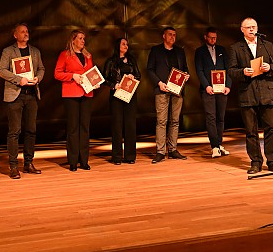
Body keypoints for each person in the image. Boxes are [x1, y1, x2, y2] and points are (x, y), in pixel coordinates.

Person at [228, 17, 273, 175]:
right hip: (248, 93)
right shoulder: (235, 48)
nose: (251, 29)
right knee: (251, 131)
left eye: (254, 27)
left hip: (267, 92)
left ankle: (272, 161)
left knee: (270, 129)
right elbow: (231, 71)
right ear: (242, 30)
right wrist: (243, 72)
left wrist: (269, 67)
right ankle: (256, 162)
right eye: (248, 27)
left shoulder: (267, 45)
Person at [0, 22, 45, 179]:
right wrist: (19, 80)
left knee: (31, 130)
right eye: (22, 31)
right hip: (15, 95)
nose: (26, 33)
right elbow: (2, 71)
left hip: (31, 94)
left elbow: (41, 69)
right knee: (14, 131)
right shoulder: (8, 51)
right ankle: (13, 166)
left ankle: (28, 163)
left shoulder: (35, 51)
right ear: (15, 35)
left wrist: (38, 78)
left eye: (27, 31)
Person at [54, 29, 99, 171]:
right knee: (73, 128)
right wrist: (72, 76)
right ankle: (73, 161)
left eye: (83, 38)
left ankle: (84, 160)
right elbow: (57, 73)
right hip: (71, 94)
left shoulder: (88, 56)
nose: (82, 41)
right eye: (80, 38)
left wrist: (95, 82)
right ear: (73, 40)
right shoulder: (65, 55)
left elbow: (91, 73)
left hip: (86, 93)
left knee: (85, 128)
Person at [147, 26, 189, 164]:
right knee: (161, 121)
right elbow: (150, 70)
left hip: (177, 91)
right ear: (163, 36)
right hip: (162, 90)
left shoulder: (180, 51)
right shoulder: (156, 50)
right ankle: (160, 151)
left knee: (175, 121)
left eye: (174, 35)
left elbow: (185, 69)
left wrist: (186, 76)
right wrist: (159, 83)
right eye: (170, 34)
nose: (172, 37)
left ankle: (173, 149)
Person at [195, 26, 231, 158]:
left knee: (221, 118)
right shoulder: (200, 51)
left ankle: (219, 144)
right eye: (211, 38)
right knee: (211, 117)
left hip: (222, 89)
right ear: (205, 37)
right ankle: (214, 146)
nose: (213, 40)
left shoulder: (222, 50)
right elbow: (199, 70)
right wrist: (206, 86)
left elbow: (229, 69)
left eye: (215, 38)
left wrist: (228, 85)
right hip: (208, 89)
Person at [103, 37, 141, 165]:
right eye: (123, 44)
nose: (126, 46)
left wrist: (132, 77)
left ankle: (130, 156)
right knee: (117, 126)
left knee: (130, 125)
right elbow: (104, 79)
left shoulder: (131, 60)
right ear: (117, 45)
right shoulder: (111, 61)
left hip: (130, 95)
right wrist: (114, 85)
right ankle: (117, 156)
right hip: (116, 96)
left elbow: (139, 75)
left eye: (127, 44)